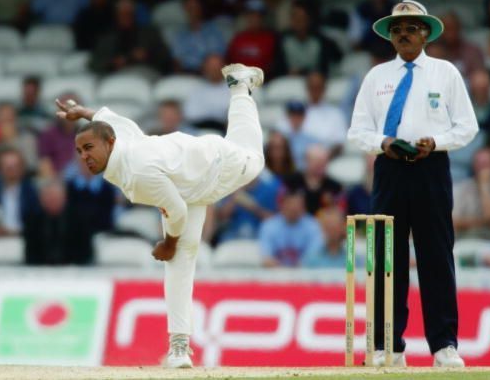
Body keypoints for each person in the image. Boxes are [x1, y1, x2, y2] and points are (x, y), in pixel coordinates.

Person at [54, 63, 265, 368]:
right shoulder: (119, 141)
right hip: (184, 180)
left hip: (215, 167)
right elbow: (111, 119)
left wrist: (167, 243)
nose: (85, 156)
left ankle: (240, 87)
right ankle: (179, 349)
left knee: (254, 159)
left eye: (89, 148)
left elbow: (177, 211)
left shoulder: (137, 173)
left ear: (109, 143)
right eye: (80, 151)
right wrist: (82, 111)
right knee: (181, 258)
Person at [347, 0, 479, 367]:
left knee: (436, 255)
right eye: (397, 28)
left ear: (426, 33)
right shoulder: (376, 77)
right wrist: (383, 143)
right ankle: (386, 346)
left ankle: (444, 347)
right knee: (385, 257)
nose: (403, 33)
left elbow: (467, 126)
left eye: (411, 27)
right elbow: (357, 130)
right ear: (390, 37)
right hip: (389, 169)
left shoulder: (445, 73)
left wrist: (435, 143)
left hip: (432, 168)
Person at [258, 186, 324, 267]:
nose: (293, 208)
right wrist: (282, 271)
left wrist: (295, 271)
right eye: (290, 204)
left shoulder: (313, 226)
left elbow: (314, 256)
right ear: (282, 205)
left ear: (304, 207)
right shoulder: (269, 226)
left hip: (305, 274)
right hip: (275, 274)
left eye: (297, 205)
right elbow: (266, 256)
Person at [453, 148, 490, 240]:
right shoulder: (462, 187)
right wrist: (482, 223)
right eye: (478, 163)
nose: (481, 168)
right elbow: (452, 221)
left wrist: (483, 186)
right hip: (464, 240)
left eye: (485, 164)